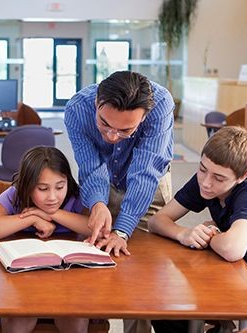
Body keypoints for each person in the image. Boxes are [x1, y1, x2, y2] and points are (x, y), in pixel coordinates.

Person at [148, 126, 247, 333]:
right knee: (164, 307)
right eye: (202, 169)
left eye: (219, 178)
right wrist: (184, 234)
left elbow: (232, 249)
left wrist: (211, 233)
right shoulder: (207, 179)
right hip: (236, 273)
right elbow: (157, 221)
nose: (206, 182)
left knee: (178, 310)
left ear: (242, 177)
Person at [64, 70, 174, 333]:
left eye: (125, 130)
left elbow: (145, 172)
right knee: (91, 260)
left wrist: (123, 229)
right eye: (104, 124)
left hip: (149, 185)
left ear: (144, 116)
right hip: (102, 180)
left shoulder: (161, 105)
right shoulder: (77, 109)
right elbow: (91, 166)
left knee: (140, 273)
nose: (112, 136)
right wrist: (98, 204)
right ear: (96, 103)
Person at [0, 146, 91, 333]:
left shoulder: (76, 196)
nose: (53, 197)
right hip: (22, 283)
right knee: (19, 320)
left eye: (60, 186)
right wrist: (32, 217)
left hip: (68, 285)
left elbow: (93, 227)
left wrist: (51, 213)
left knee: (74, 320)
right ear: (27, 186)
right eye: (43, 189)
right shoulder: (15, 195)